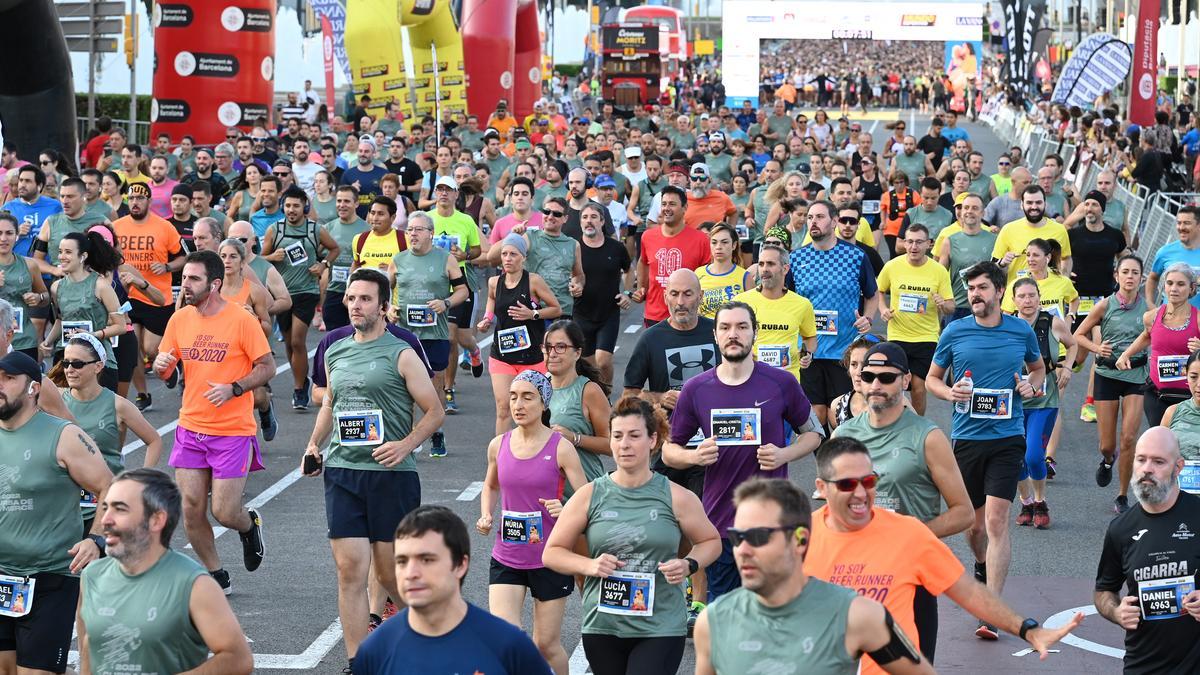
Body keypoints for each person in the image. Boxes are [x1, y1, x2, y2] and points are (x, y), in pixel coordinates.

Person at [805, 439, 1080, 673]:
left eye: (868, 481)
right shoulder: (799, 542)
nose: (861, 493)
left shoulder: (908, 534)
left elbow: (970, 593)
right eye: (846, 484)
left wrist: (1029, 630)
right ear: (822, 486)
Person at [302, 269, 444, 671]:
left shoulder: (401, 352)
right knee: (349, 572)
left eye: (365, 299)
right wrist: (314, 444)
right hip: (344, 471)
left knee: (390, 575)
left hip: (391, 476)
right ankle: (358, 660)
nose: (355, 305)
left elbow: (434, 411)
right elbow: (332, 403)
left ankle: (432, 642)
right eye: (351, 298)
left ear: (383, 307)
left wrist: (405, 445)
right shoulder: (334, 350)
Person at [543, 396, 721, 675]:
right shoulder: (590, 495)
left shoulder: (676, 496)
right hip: (603, 625)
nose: (624, 444)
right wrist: (589, 565)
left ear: (653, 440)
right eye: (617, 436)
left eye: (634, 436)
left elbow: (710, 541)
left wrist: (689, 564)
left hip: (660, 625)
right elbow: (552, 552)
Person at [663, 301, 821, 602]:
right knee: (724, 613)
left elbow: (814, 433)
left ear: (755, 334)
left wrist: (784, 454)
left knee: (772, 610)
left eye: (741, 327)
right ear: (715, 335)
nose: (733, 334)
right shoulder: (696, 389)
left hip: (770, 522)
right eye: (725, 327)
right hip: (719, 523)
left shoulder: (781, 382)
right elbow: (669, 450)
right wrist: (694, 457)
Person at [693, 478, 933, 675]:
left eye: (759, 537)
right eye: (737, 537)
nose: (743, 550)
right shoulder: (713, 622)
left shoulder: (857, 615)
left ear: (800, 540)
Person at [924, 261, 1045, 639]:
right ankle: (980, 564)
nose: (974, 295)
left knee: (995, 520)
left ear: (998, 291)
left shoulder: (1020, 329)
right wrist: (950, 392)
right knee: (974, 527)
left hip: (1008, 438)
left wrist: (1030, 386)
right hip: (968, 439)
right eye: (971, 289)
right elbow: (931, 379)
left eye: (981, 288)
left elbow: (1038, 368)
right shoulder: (956, 331)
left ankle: (990, 607)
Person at [154, 250, 274, 594]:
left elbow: (266, 367)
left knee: (224, 511)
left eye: (193, 279)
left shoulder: (241, 320)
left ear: (215, 283)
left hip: (232, 431)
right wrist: (164, 367)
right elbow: (168, 376)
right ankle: (216, 573)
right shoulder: (180, 319)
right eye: (184, 278)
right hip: (191, 426)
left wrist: (235, 388)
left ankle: (248, 524)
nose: (185, 285)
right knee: (190, 509)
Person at [0, 350, 113, 675]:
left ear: (34, 387)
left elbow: (109, 487)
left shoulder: (64, 435)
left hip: (50, 578)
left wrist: (96, 540)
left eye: (9, 378)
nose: (0, 385)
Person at [78, 468, 253, 673]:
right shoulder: (92, 576)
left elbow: (238, 659)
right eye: (105, 508)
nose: (105, 519)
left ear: (156, 520)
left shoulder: (194, 584)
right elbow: (90, 646)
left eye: (120, 509)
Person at [352, 506, 553, 674]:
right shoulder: (375, 651)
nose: (411, 573)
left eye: (427, 560)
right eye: (402, 561)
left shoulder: (509, 646)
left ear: (460, 565)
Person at [477, 370, 586, 674]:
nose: (518, 404)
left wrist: (565, 509)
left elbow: (587, 498)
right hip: (507, 556)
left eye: (527, 397)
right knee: (507, 638)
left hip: (550, 559)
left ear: (543, 403)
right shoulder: (498, 445)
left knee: (546, 645)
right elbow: (491, 485)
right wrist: (486, 513)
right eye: (513, 397)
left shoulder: (561, 447)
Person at [1094, 426, 1200, 673]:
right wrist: (1116, 611)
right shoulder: (1120, 529)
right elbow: (1103, 591)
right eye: (1141, 459)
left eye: (1159, 461)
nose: (1147, 468)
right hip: (1143, 665)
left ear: (1178, 467)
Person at [59, 333, 162, 530]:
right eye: (66, 363)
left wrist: (142, 481)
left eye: (77, 364)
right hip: (66, 503)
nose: (69, 369)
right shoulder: (57, 400)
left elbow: (154, 441)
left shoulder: (118, 405)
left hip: (107, 502)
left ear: (98, 366)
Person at [791, 200, 879, 426]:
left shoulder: (855, 256)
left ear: (834, 221)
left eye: (819, 217)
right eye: (810, 217)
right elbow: (787, 299)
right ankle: (825, 460)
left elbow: (872, 294)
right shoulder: (796, 258)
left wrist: (867, 319)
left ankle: (841, 459)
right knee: (815, 417)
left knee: (839, 416)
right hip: (809, 351)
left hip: (843, 351)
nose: (813, 222)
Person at [389, 210, 467, 458]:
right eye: (409, 229)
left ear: (430, 233)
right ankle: (409, 439)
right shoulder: (398, 260)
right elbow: (382, 291)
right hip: (405, 335)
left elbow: (463, 290)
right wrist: (389, 308)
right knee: (404, 389)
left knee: (434, 389)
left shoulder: (446, 259)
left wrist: (445, 303)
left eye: (418, 229)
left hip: (435, 334)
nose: (412, 234)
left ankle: (436, 432)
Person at [1074, 254, 1150, 506]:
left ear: (1141, 278)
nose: (1130, 277)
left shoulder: (1149, 309)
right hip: (1106, 375)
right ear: (1117, 276)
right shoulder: (1105, 305)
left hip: (1136, 376)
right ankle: (1108, 460)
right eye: (1125, 272)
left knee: (1129, 438)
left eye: (1135, 273)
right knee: (1107, 444)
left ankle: (1122, 495)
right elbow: (1079, 335)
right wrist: (1098, 350)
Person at [261, 186, 340, 410]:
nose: (291, 210)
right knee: (289, 342)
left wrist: (323, 264)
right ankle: (301, 380)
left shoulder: (315, 229)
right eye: (287, 205)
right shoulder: (275, 230)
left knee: (297, 340)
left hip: (307, 292)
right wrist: (272, 256)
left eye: (296, 205)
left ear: (304, 206)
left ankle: (299, 389)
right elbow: (260, 258)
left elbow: (334, 249)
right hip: (282, 293)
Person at [1008, 278, 1077, 529]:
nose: (1027, 301)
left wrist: (1067, 367)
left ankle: (1040, 501)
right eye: (1022, 296)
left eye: (1031, 295)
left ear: (1039, 297)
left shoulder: (1052, 322)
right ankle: (1026, 502)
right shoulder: (1007, 325)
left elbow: (1072, 345)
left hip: (1044, 400)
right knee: (1015, 457)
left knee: (1034, 455)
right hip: (1013, 401)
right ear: (1013, 300)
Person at [477, 234, 562, 435]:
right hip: (502, 355)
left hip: (531, 356)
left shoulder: (533, 281)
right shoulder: (494, 282)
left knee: (537, 409)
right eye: (504, 254)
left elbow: (556, 309)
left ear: (523, 257)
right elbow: (491, 299)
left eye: (513, 254)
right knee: (503, 408)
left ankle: (536, 451)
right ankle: (500, 457)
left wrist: (532, 314)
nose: (507, 258)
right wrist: (488, 318)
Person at [112, 182, 185, 409]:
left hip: (157, 297)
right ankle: (143, 394)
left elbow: (183, 258)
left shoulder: (164, 227)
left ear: (149, 202)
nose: (135, 202)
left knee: (153, 350)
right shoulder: (116, 226)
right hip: (127, 297)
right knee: (133, 348)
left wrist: (167, 267)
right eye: (131, 198)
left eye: (140, 199)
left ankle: (175, 364)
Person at [876, 223, 953, 414]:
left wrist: (942, 303)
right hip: (897, 335)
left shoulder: (938, 271)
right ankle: (894, 424)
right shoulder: (892, 266)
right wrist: (883, 308)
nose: (914, 247)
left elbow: (951, 306)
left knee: (918, 388)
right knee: (895, 387)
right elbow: (878, 291)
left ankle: (917, 428)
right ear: (903, 243)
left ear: (929, 244)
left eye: (919, 242)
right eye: (909, 242)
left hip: (926, 337)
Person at [1118, 262, 1200, 433]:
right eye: (1170, 283)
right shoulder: (1151, 316)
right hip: (1157, 395)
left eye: (1180, 284)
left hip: (1190, 397)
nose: (1174, 289)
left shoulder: (1198, 319)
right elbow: (1147, 335)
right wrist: (1126, 354)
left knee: (1184, 445)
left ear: (1192, 288)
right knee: (1161, 442)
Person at [40, 231, 125, 390]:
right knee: (63, 412)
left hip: (96, 359)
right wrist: (47, 342)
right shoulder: (56, 287)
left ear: (83, 256)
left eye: (68, 252)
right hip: (65, 359)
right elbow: (61, 320)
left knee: (99, 413)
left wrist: (93, 335)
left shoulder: (100, 285)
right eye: (60, 252)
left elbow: (121, 326)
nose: (62, 257)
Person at [430, 176, 485, 412]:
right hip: (431, 283)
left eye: (448, 190)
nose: (443, 193)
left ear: (455, 195)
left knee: (455, 338)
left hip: (457, 286)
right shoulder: (425, 219)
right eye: (439, 189)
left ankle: (449, 389)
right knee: (448, 338)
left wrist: (465, 256)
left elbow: (477, 249)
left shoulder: (465, 221)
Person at [732, 244, 815, 383]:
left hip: (788, 384)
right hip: (751, 380)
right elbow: (729, 337)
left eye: (770, 264)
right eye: (761, 264)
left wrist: (808, 354)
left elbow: (810, 337)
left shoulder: (802, 304)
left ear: (785, 269)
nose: (764, 269)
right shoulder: (741, 302)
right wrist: (742, 353)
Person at [544, 320, 613, 486]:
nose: (552, 353)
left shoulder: (589, 391)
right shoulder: (536, 387)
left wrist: (574, 438)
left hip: (582, 492)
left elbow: (612, 445)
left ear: (577, 352)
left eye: (560, 347)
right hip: (544, 495)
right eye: (547, 347)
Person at [572, 200, 633, 386]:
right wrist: (572, 286)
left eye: (593, 217)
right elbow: (567, 273)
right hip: (582, 313)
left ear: (602, 221)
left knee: (604, 361)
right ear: (580, 222)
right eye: (584, 217)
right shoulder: (574, 248)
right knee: (589, 365)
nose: (589, 221)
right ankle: (595, 397)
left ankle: (606, 395)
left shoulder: (616, 248)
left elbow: (629, 270)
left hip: (609, 313)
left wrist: (627, 293)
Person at [635, 185, 712, 327]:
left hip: (688, 316)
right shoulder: (648, 236)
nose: (666, 208)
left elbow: (708, 276)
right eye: (663, 204)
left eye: (672, 204)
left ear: (684, 208)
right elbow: (643, 262)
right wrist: (641, 288)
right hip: (654, 314)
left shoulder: (701, 240)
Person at [991, 185, 1072, 286]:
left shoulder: (1059, 230)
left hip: (1050, 296)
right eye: (1029, 203)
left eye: (1038, 202)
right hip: (1019, 296)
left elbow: (1066, 258)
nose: (1034, 207)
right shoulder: (1008, 229)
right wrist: (1002, 263)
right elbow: (993, 266)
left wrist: (1064, 280)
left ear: (1045, 204)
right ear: (1022, 205)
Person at [322, 185, 370, 330]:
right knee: (334, 338)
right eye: (339, 201)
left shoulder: (366, 229)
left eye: (347, 201)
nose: (342, 205)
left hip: (359, 293)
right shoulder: (328, 228)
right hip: (334, 290)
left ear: (356, 203)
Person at [0, 213, 47, 359]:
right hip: (1, 342)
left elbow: (46, 297)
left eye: (9, 233)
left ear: (17, 235)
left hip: (24, 342)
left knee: (26, 382)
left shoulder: (30, 265)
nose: (3, 238)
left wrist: (38, 298)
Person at [1147, 206, 1200, 310]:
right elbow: (1153, 278)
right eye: (1179, 223)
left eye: (1187, 223)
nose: (1181, 227)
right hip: (1170, 320)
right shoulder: (1165, 252)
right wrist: (1150, 304)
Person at [696, 223, 748, 320]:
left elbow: (752, 312)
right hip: (704, 332)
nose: (718, 247)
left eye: (724, 242)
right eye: (714, 242)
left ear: (734, 245)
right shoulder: (698, 274)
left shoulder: (744, 276)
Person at [1163, 351, 1200, 457]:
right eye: (1193, 377)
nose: (1199, 384)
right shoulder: (1172, 412)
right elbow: (1159, 455)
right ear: (1186, 375)